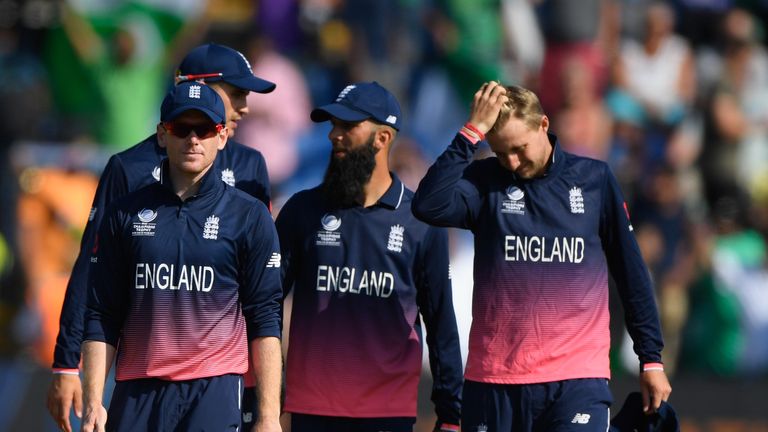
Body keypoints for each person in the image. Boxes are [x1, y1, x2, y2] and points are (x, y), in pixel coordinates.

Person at [412, 82, 672, 431]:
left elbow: (631, 272)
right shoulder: (485, 181)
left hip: (576, 379)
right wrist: (470, 132)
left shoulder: (594, 180)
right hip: (493, 380)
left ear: (544, 125)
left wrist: (651, 358)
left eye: (519, 148)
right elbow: (428, 204)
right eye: (502, 153)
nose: (513, 163)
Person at [47, 43, 276, 432]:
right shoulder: (128, 169)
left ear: (218, 138)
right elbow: (94, 274)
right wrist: (68, 362)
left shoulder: (251, 167)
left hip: (221, 382)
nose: (245, 107)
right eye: (237, 93)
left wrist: (265, 405)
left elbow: (261, 291)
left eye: (205, 130)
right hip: (143, 381)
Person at [275, 81, 463, 432]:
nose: (335, 135)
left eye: (348, 126)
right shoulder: (302, 211)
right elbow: (265, 305)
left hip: (387, 411)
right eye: (333, 125)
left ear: (383, 138)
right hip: (312, 410)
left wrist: (451, 414)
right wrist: (269, 393)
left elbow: (441, 323)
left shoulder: (420, 221)